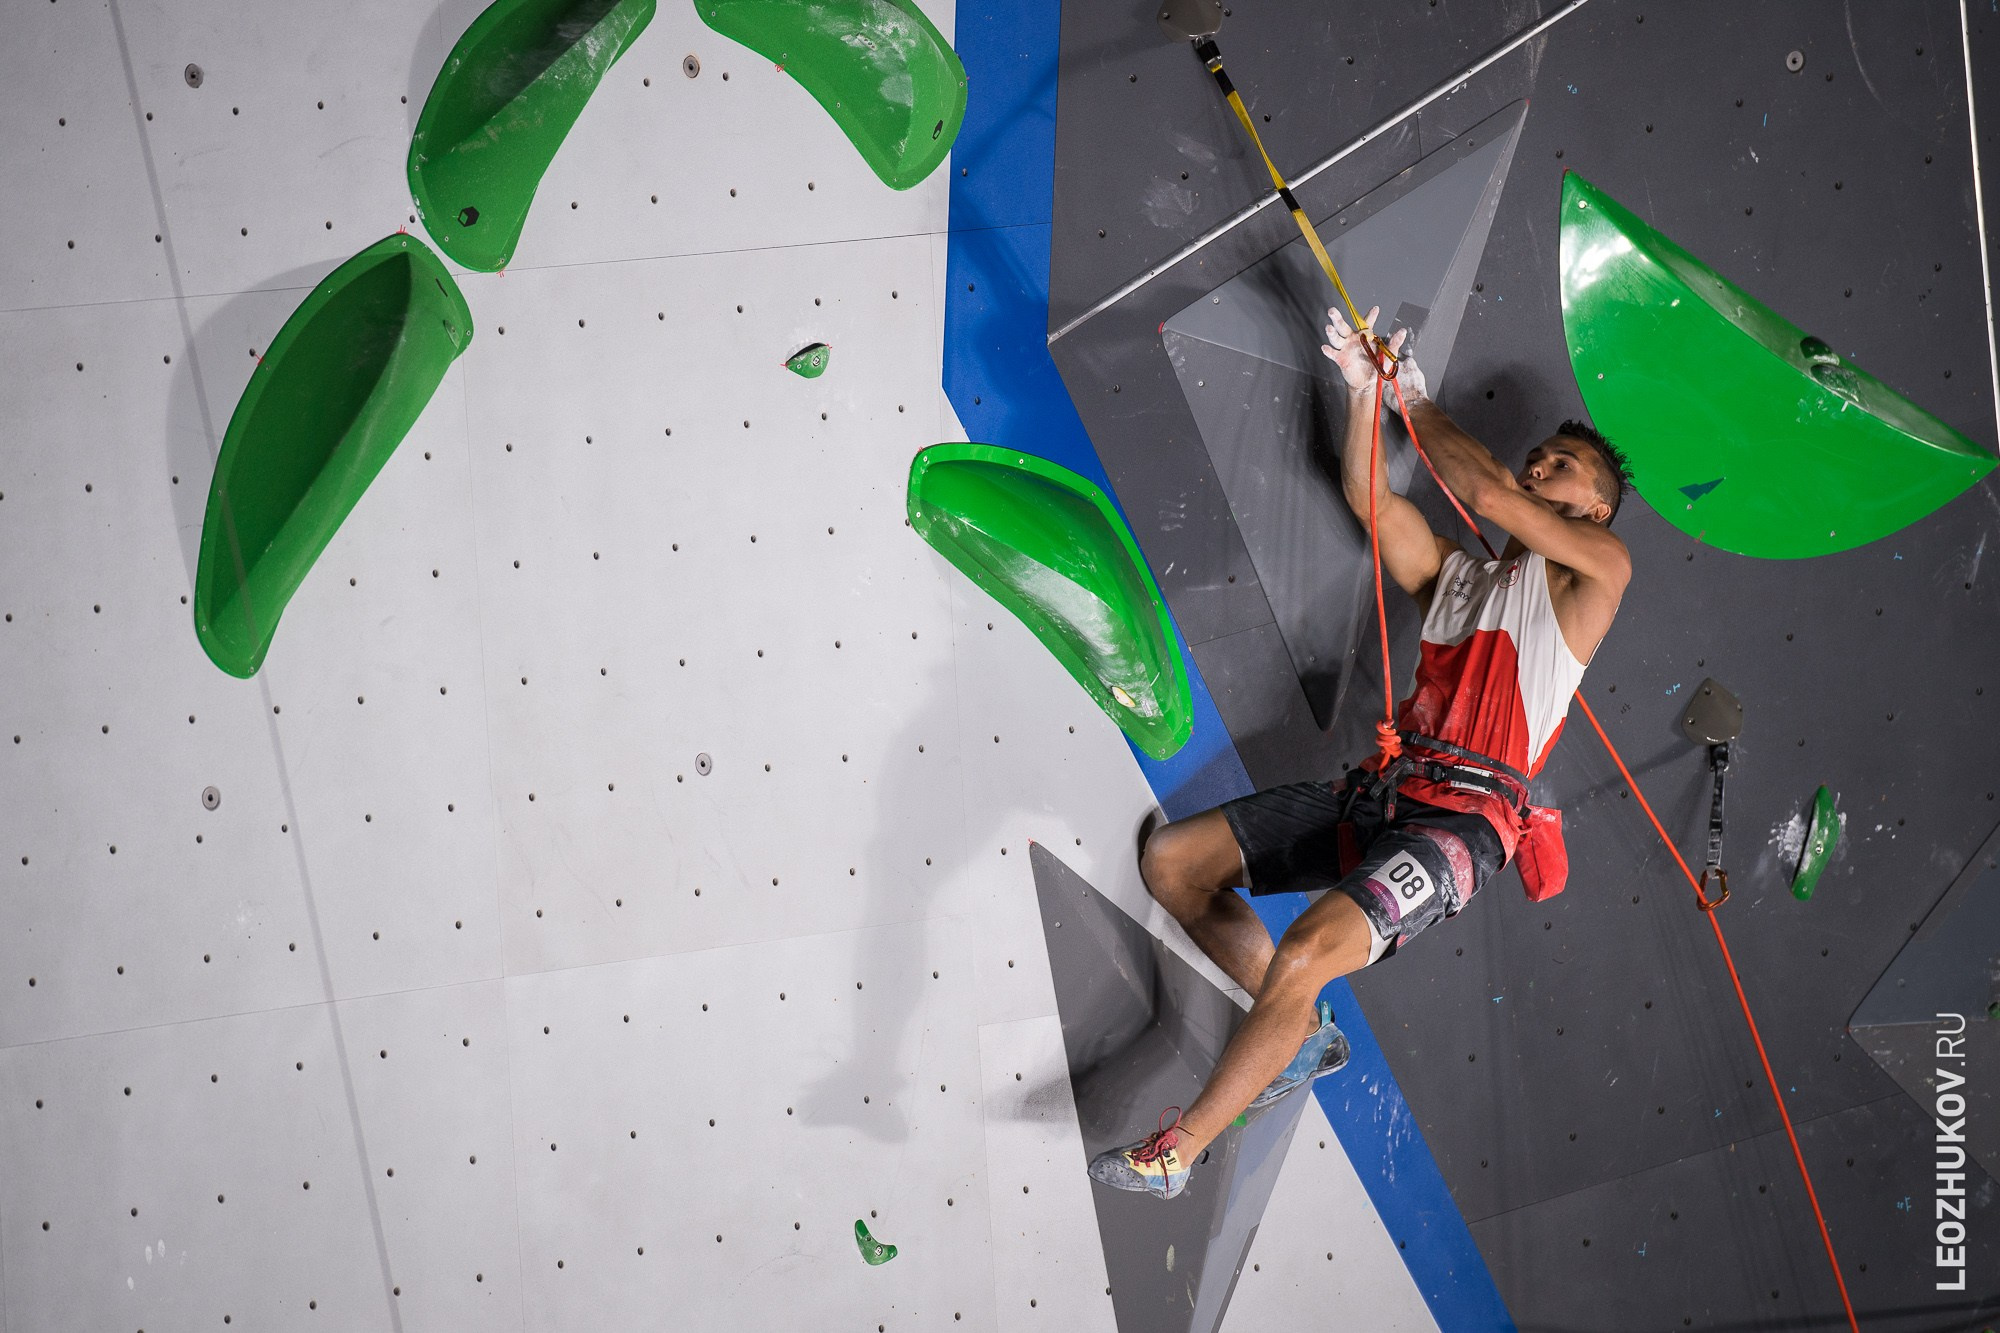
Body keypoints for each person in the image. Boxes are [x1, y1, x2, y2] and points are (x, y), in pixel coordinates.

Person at [1089, 304, 1635, 1199]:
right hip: (1385, 794)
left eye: (1562, 464)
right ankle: (1300, 1035)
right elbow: (1372, 503)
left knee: (1308, 948)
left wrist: (1413, 403)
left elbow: (1493, 494)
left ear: (1598, 509)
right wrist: (1360, 394)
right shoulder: (1464, 576)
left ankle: (1177, 1153)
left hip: (1464, 828)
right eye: (1541, 452)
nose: (1540, 463)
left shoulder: (1601, 571)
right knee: (1173, 863)